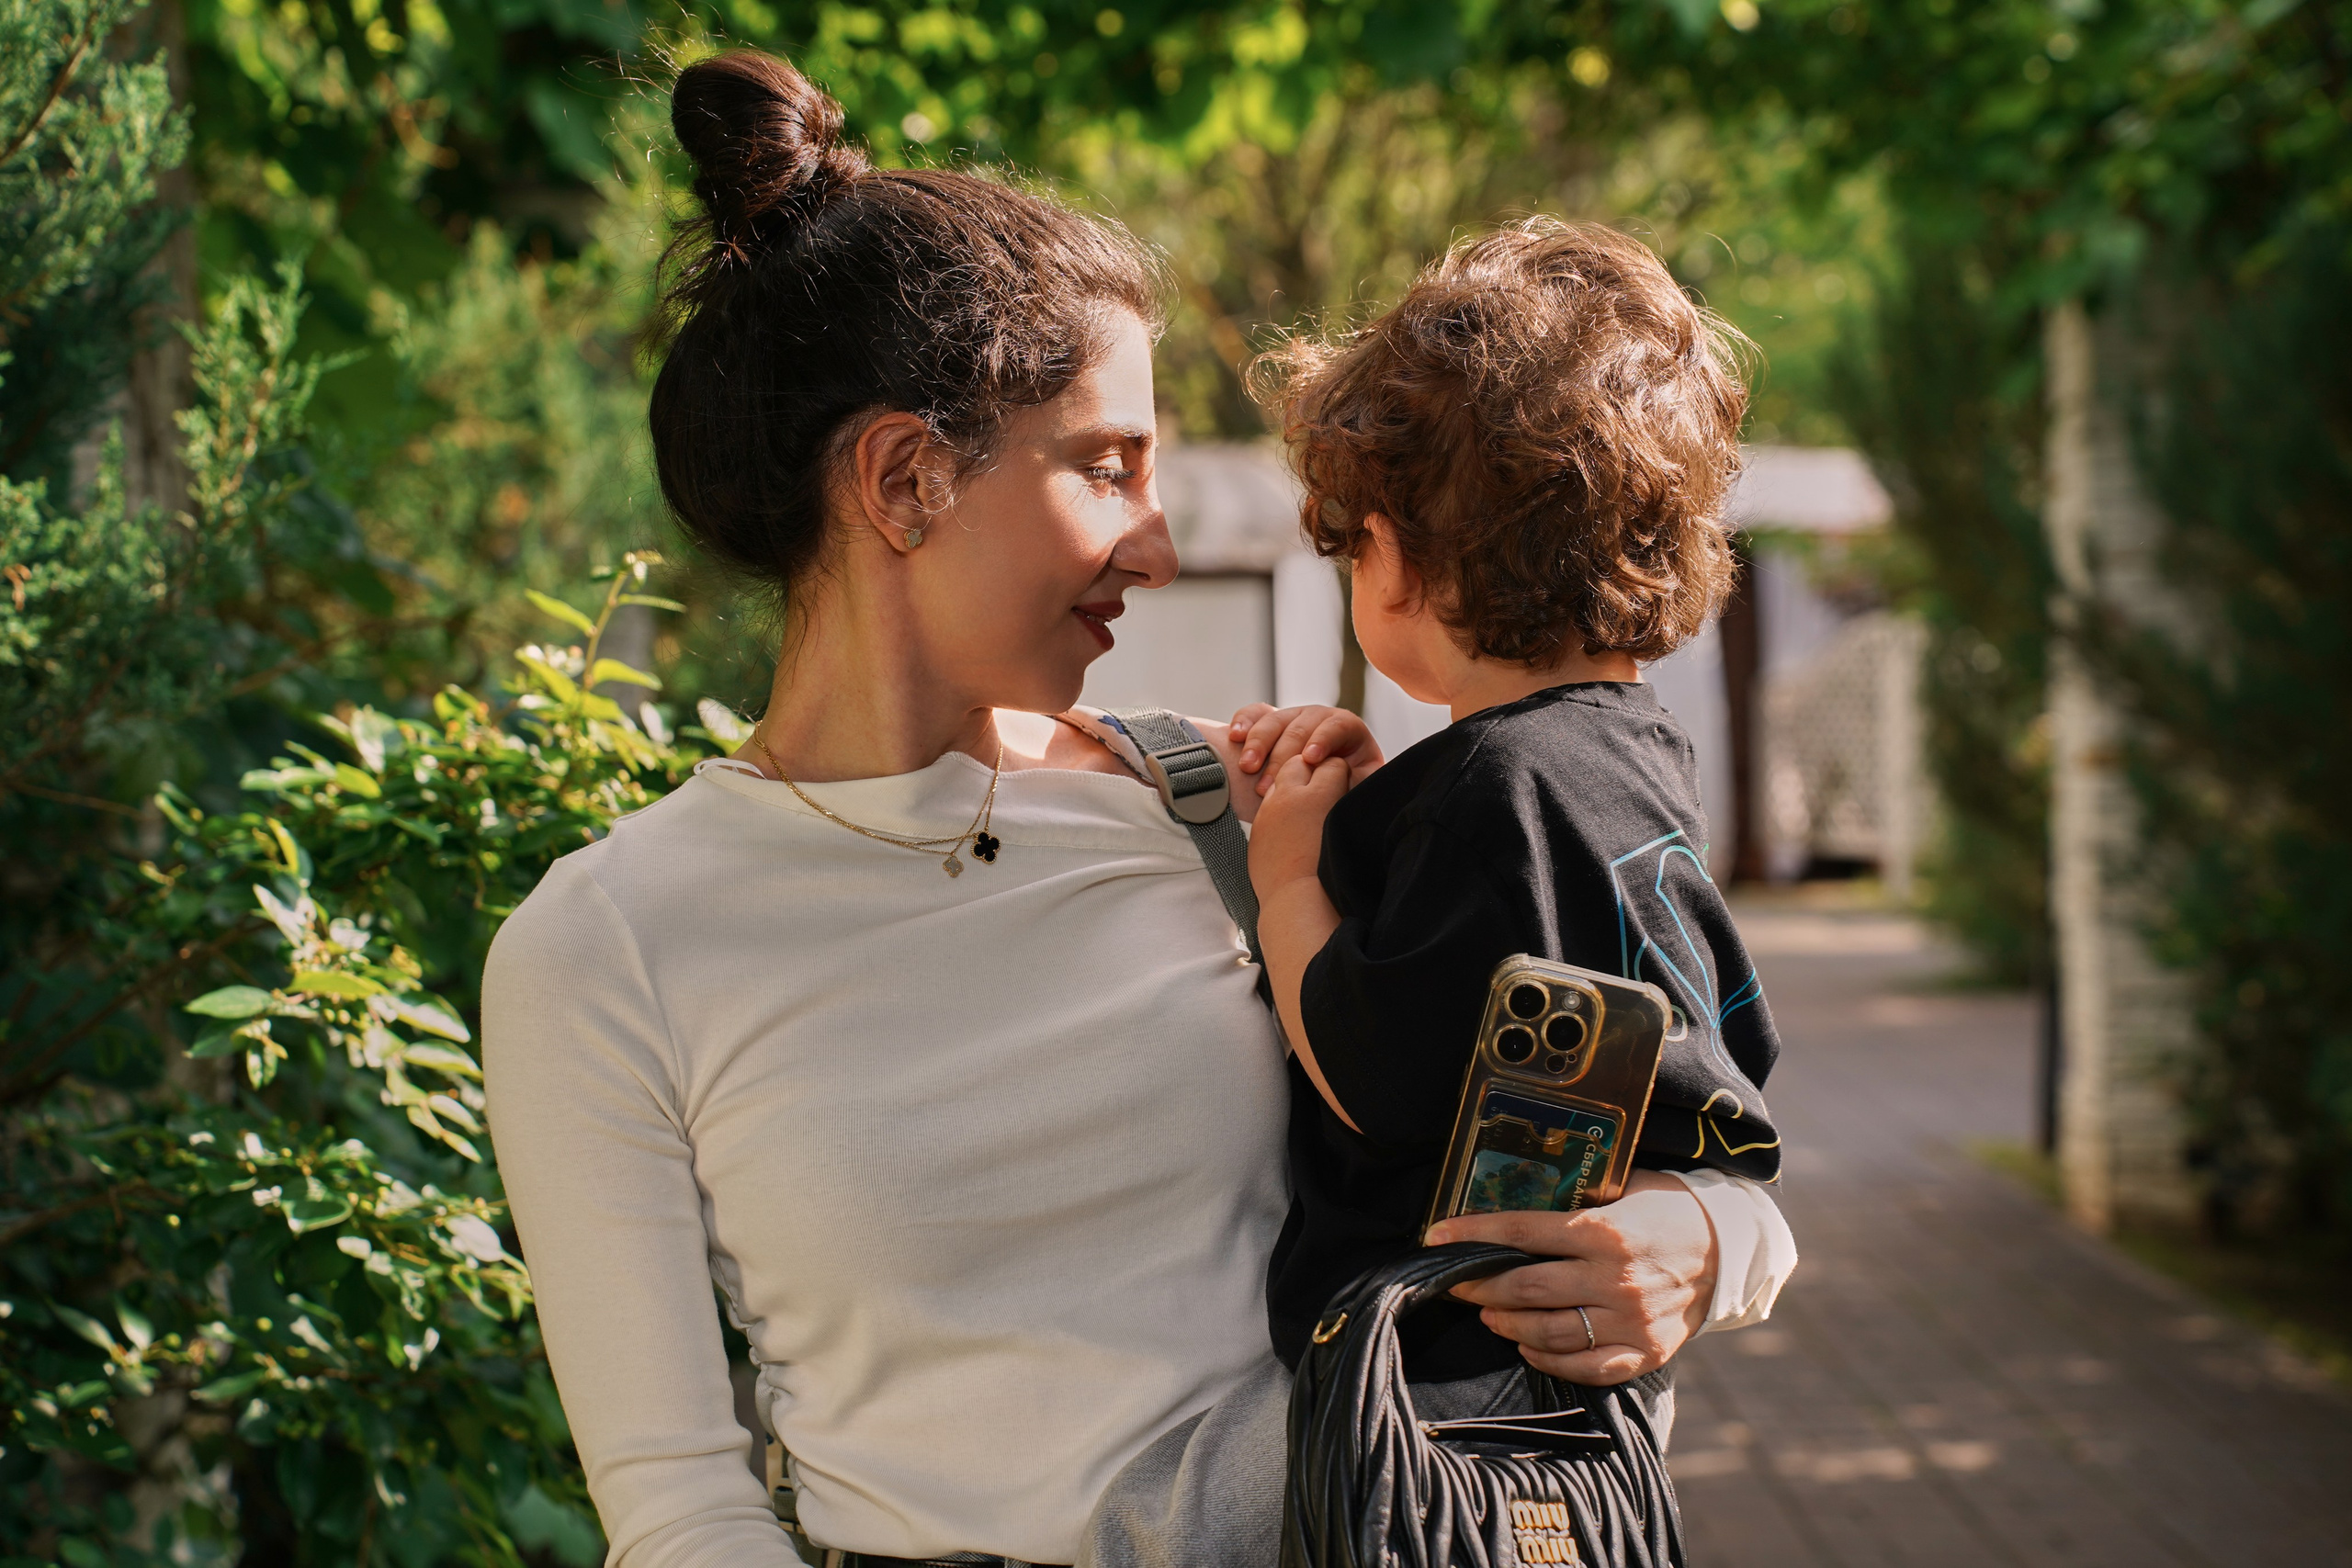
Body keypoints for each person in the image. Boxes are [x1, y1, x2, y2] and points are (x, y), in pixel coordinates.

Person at [482, 51, 1789, 1568]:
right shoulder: (609, 945)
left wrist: (1709, 1243)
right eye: (1107, 469)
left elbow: (1631, 1082)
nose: (1158, 546)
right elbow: (679, 1508)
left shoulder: (1247, 807)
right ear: (904, 480)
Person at [1083, 220, 1797, 1563]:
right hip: (1575, 1387)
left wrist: (1288, 876)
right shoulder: (1632, 762)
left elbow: (1376, 1075)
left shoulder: (1494, 790)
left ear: (1397, 558)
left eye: (1351, 548)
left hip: (1431, 1398)